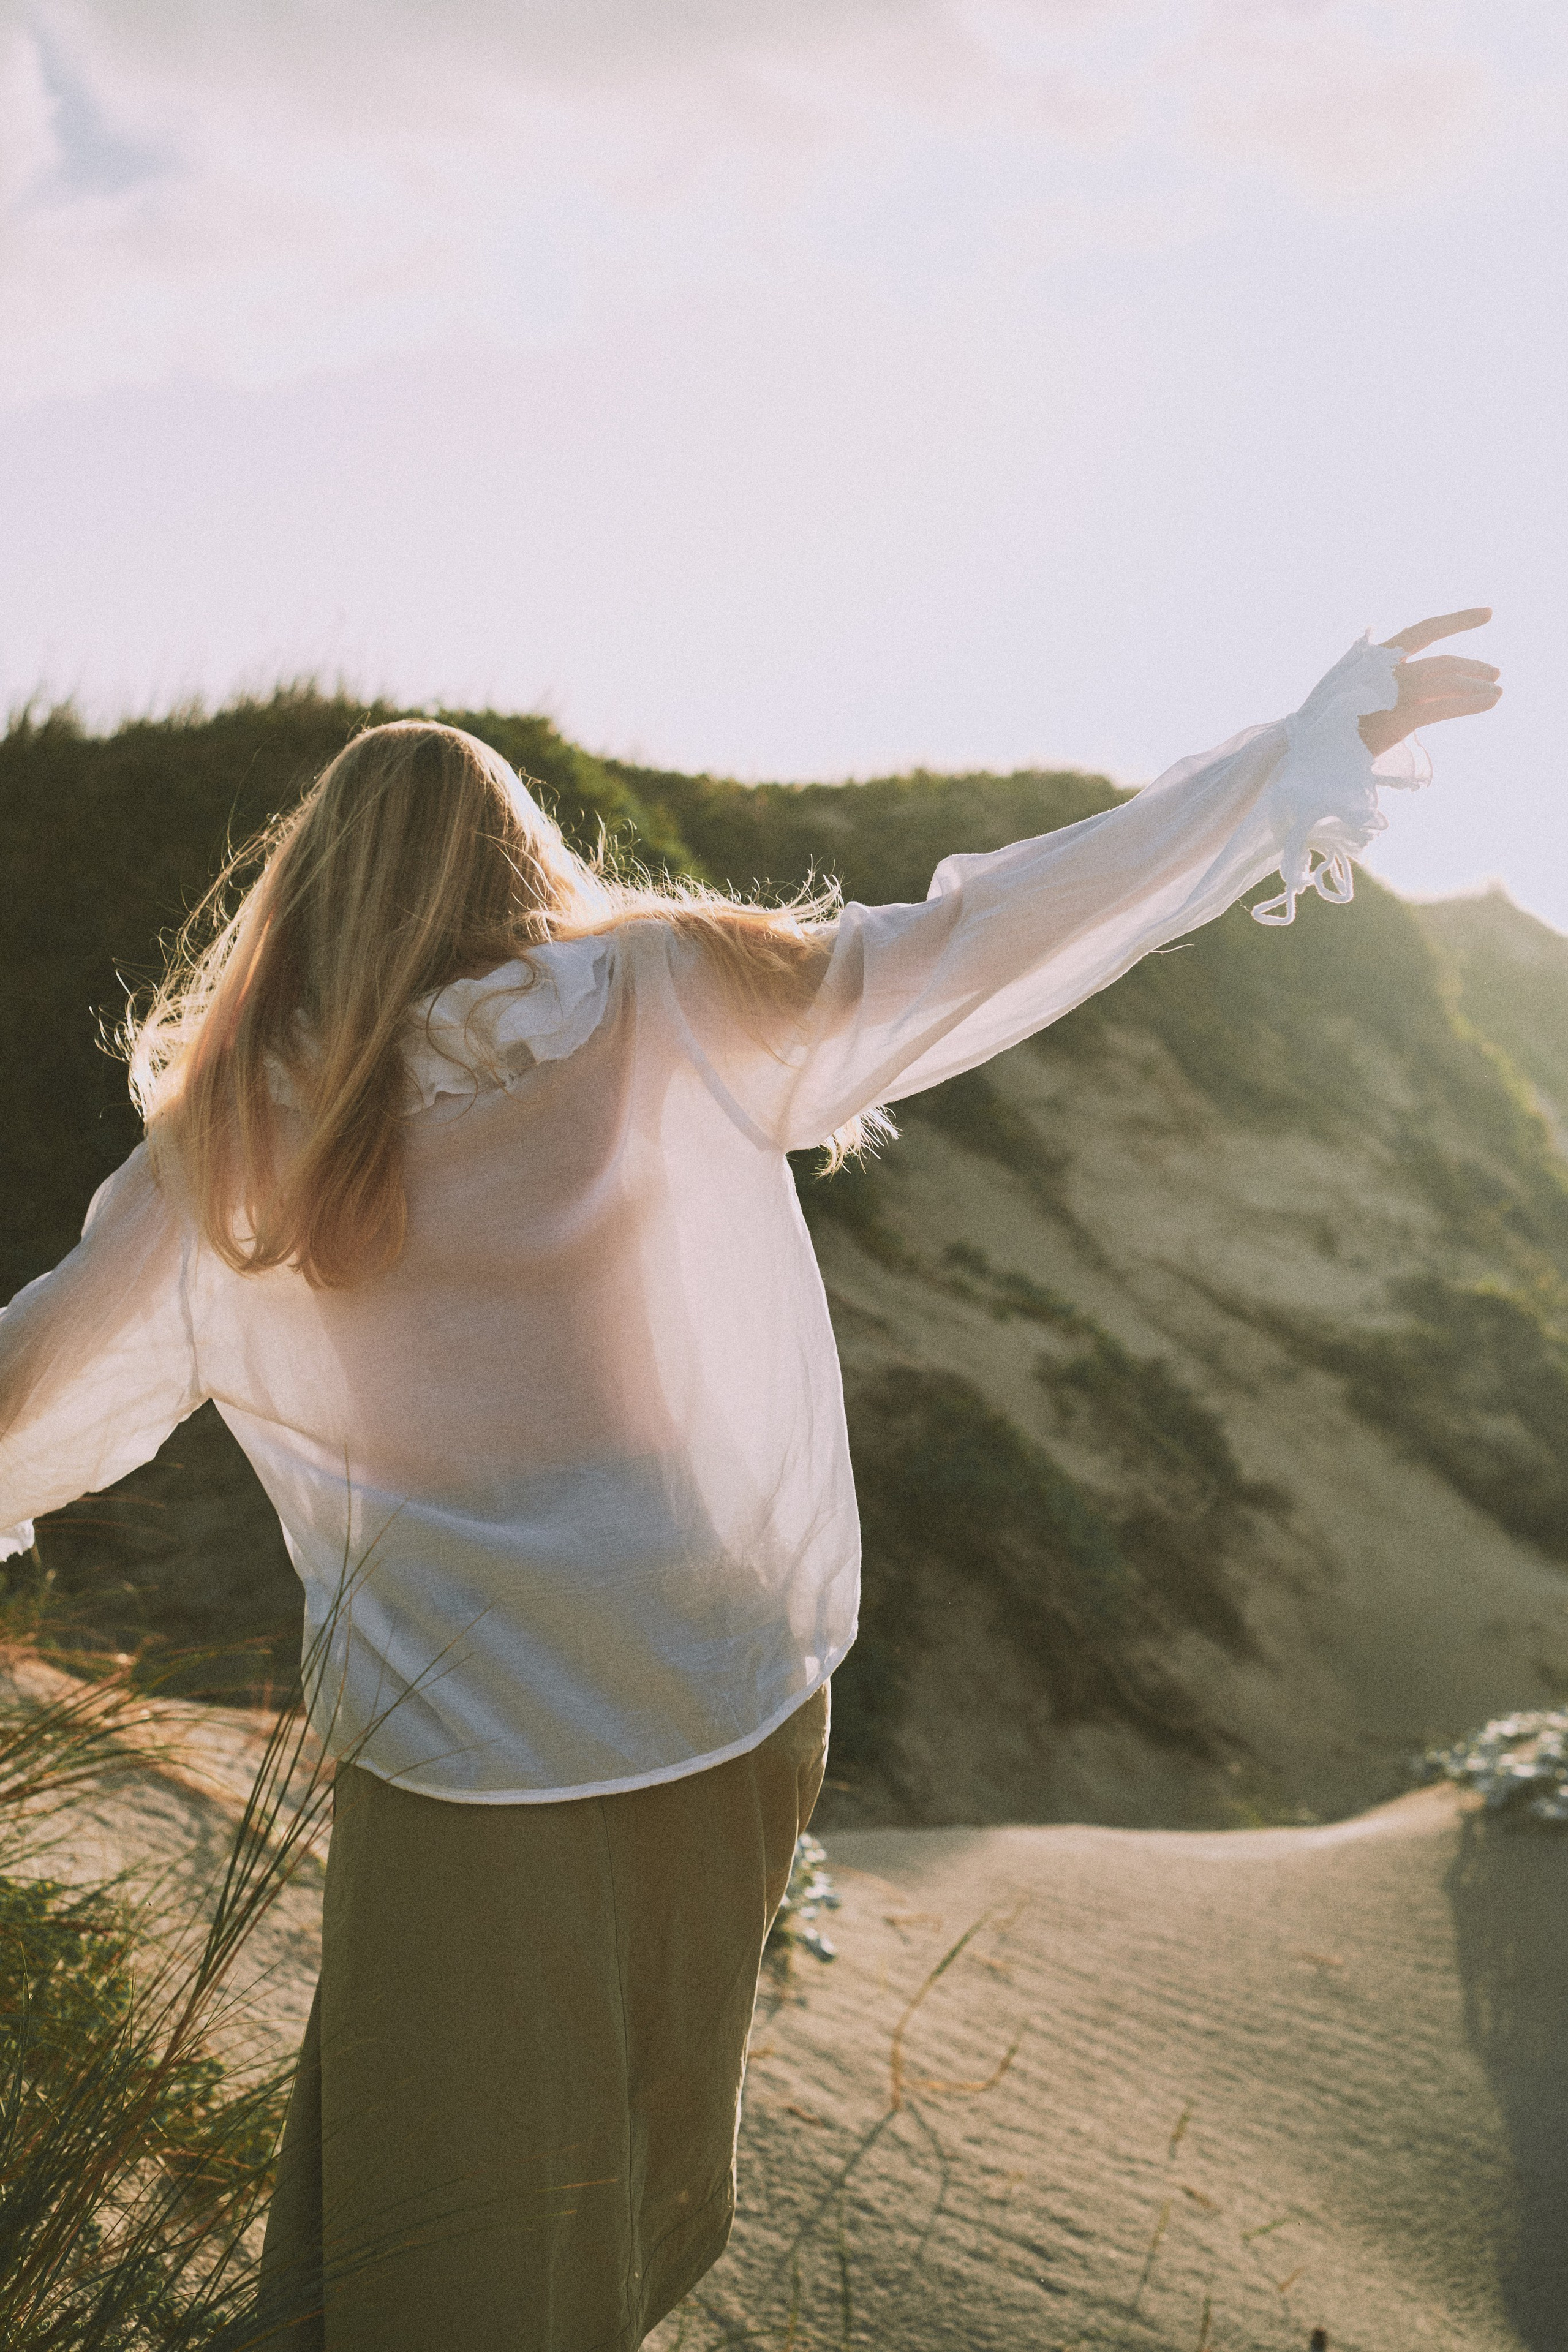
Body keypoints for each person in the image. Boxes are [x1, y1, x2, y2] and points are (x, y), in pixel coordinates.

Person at [0, 611, 1499, 2348]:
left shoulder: (235, 1132)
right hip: (710, 1680)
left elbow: (40, 1374)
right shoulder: (652, 989)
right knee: (619, 2170)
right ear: (519, 861)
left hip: (463, 1733)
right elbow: (978, 940)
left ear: (306, 894)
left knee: (449, 2203)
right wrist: (1286, 762)